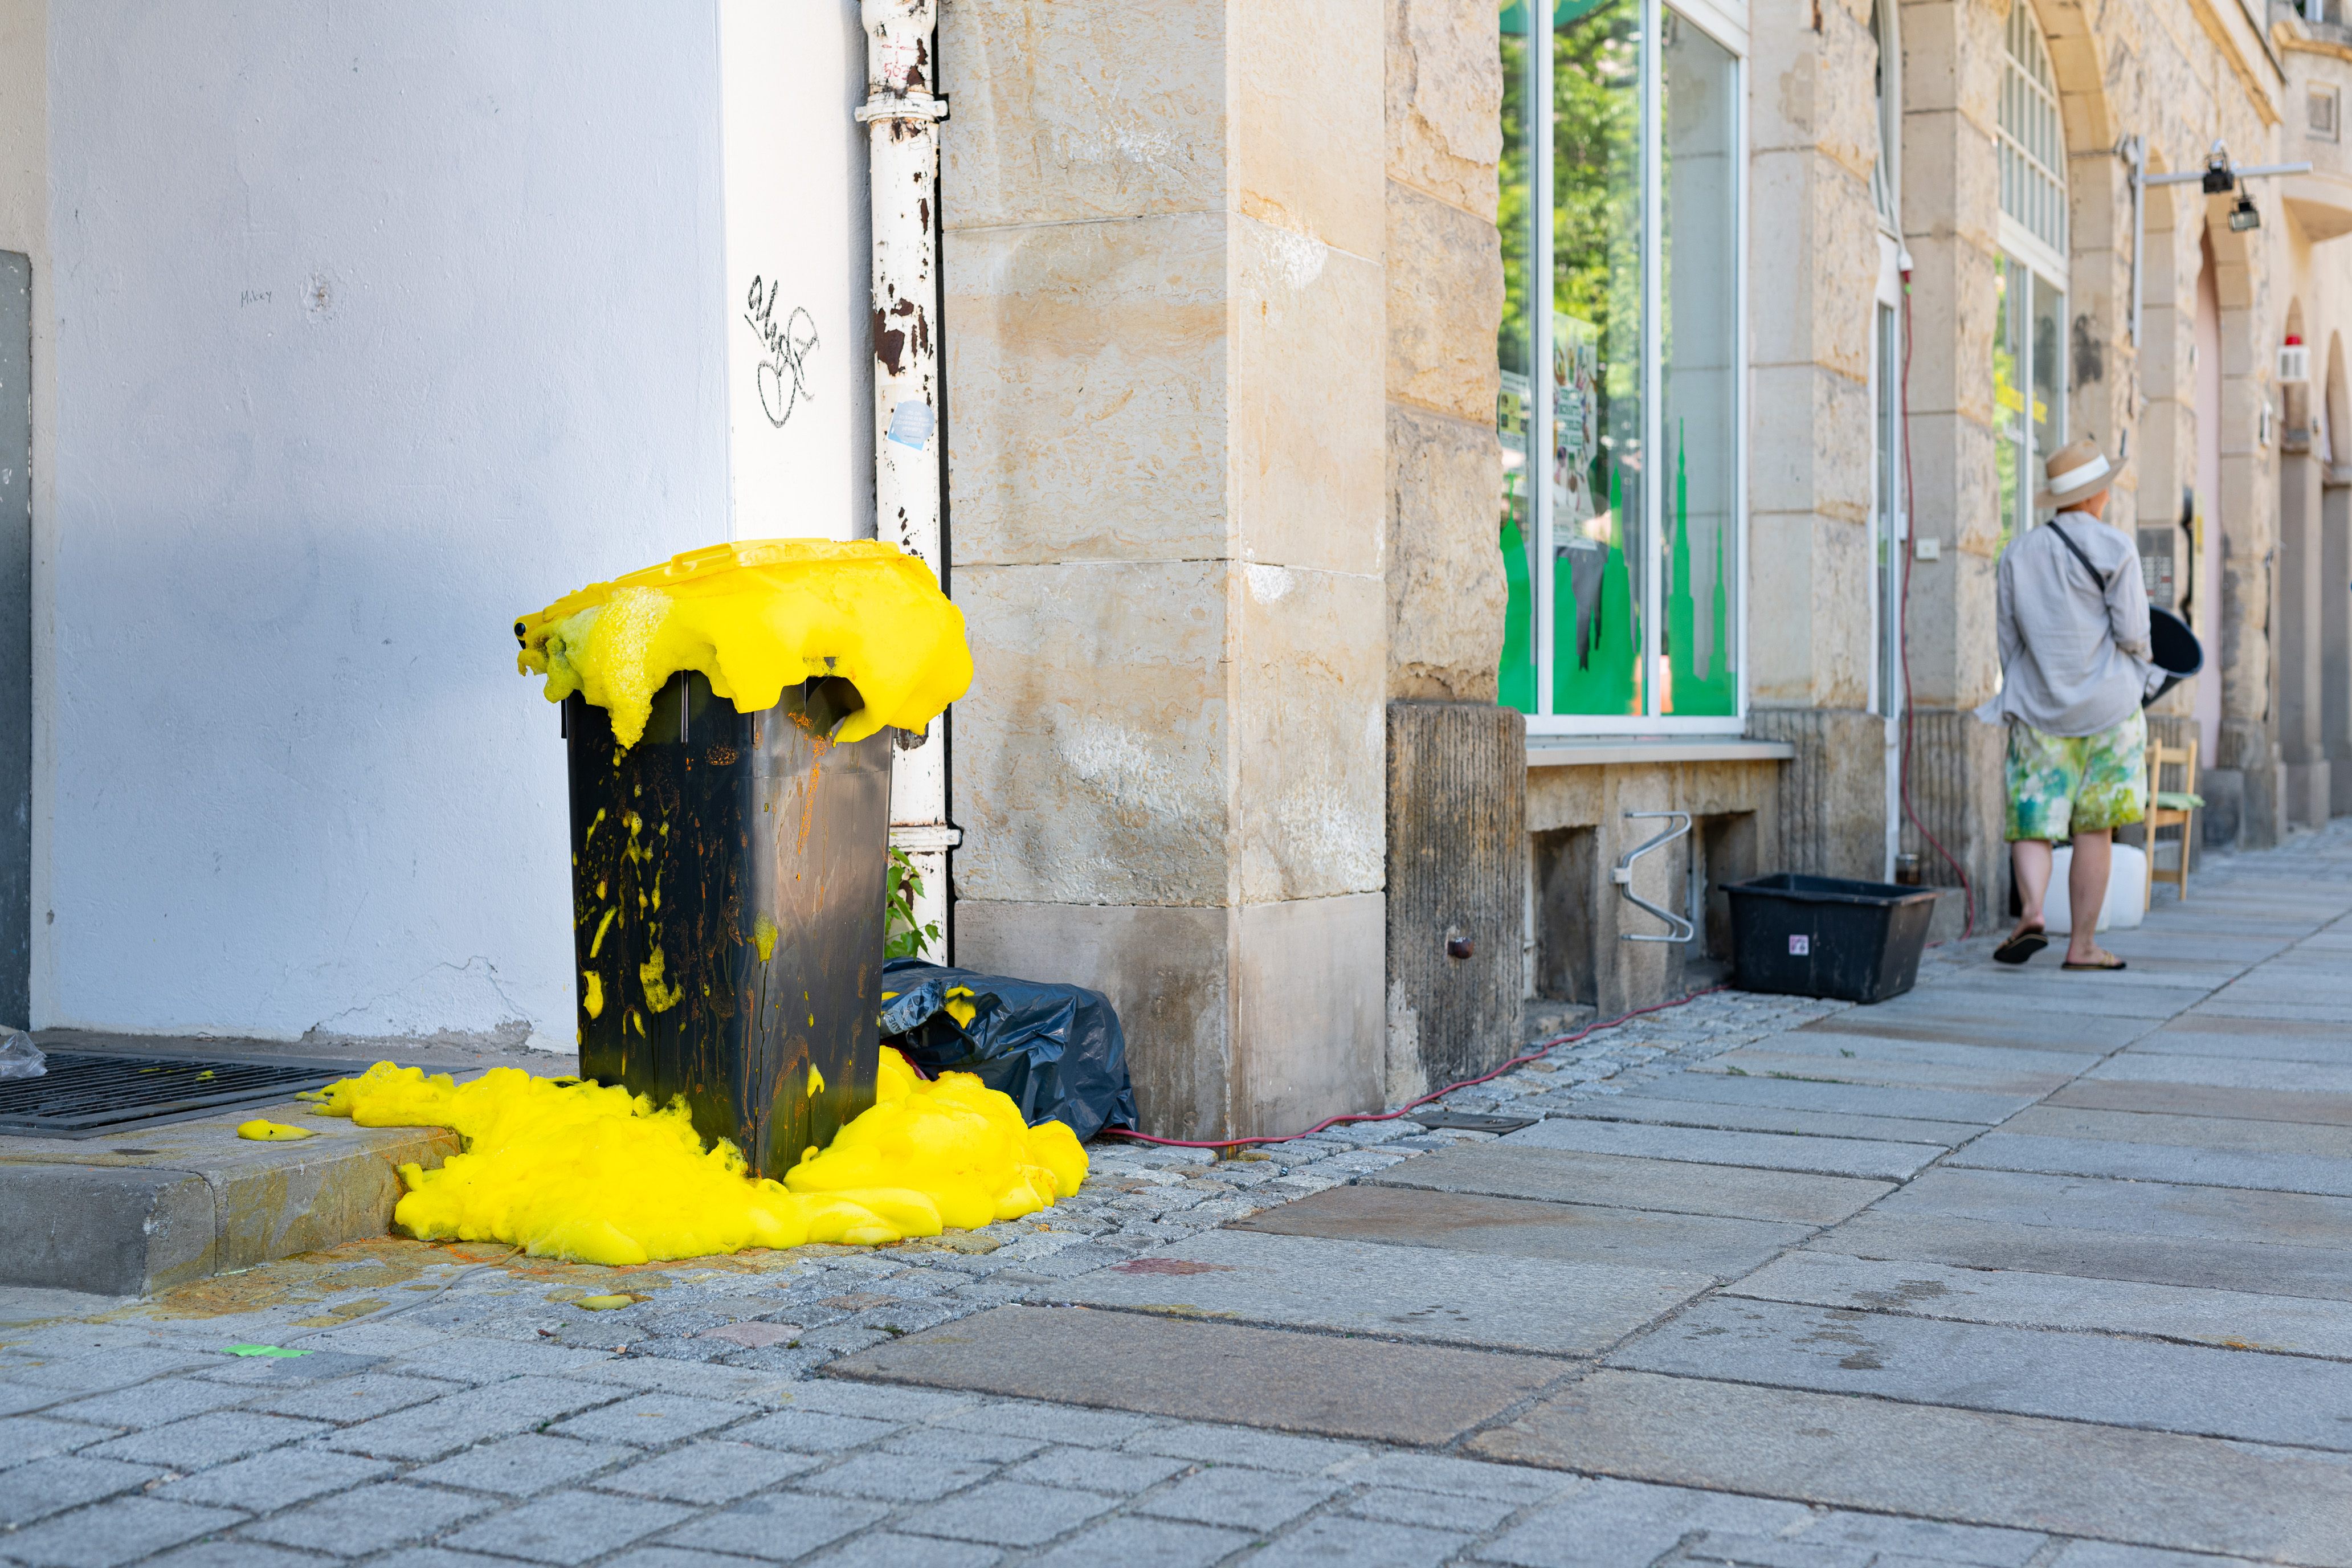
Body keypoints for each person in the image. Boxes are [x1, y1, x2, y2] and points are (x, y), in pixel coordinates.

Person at [1976, 436, 2163, 970]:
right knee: (2095, 827)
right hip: (2110, 710)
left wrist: (2034, 682)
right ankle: (2082, 945)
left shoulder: (2017, 553)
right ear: (2093, 495)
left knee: (2032, 820)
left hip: (2040, 708)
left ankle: (2033, 910)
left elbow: (2008, 639)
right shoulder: (2116, 547)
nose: (2107, 495)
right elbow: (2134, 632)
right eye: (2103, 488)